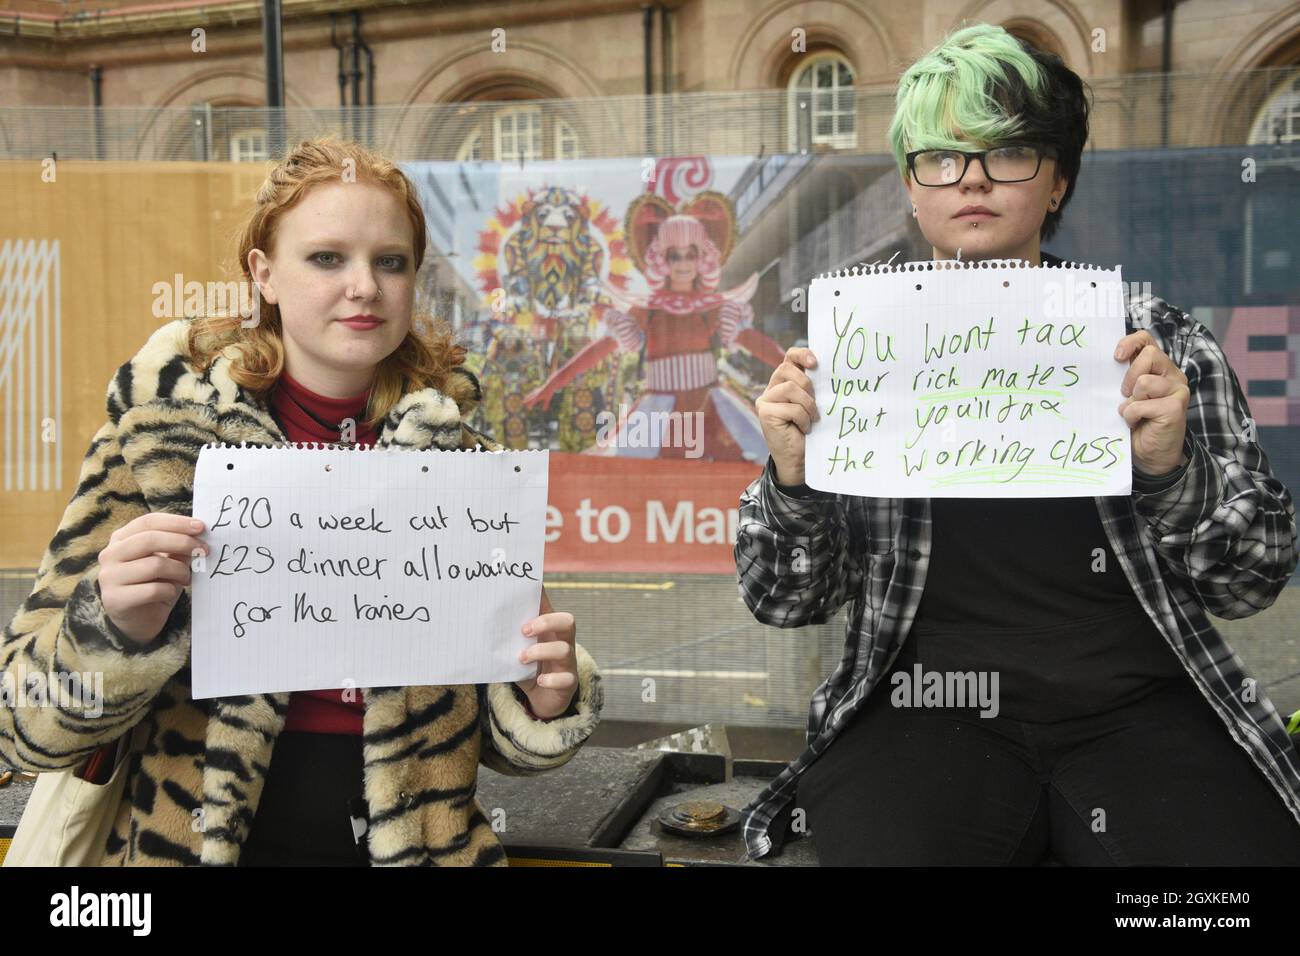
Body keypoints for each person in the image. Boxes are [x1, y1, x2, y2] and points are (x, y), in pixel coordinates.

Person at [736, 23, 1300, 865]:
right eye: (942, 156)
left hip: (1143, 711)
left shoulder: (1161, 348)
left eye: (1009, 154)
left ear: (1058, 182)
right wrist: (792, 481)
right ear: (910, 186)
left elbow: (1254, 577)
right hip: (922, 713)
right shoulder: (848, 352)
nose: (971, 178)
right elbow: (784, 599)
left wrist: (1174, 469)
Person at [0, 135, 602, 866]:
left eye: (391, 261)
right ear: (265, 274)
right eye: (327, 257)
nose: (364, 287)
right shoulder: (159, 442)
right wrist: (112, 627)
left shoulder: (458, 462)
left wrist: (542, 696)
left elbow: (485, 745)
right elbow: (20, 724)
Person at [522, 191, 787, 461]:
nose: (683, 264)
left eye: (690, 254)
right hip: (658, 409)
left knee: (743, 465)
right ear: (661, 258)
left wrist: (797, 368)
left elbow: (754, 342)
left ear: (702, 258)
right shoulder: (646, 310)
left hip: (709, 408)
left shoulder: (714, 308)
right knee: (640, 476)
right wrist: (552, 385)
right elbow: (601, 348)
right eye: (675, 256)